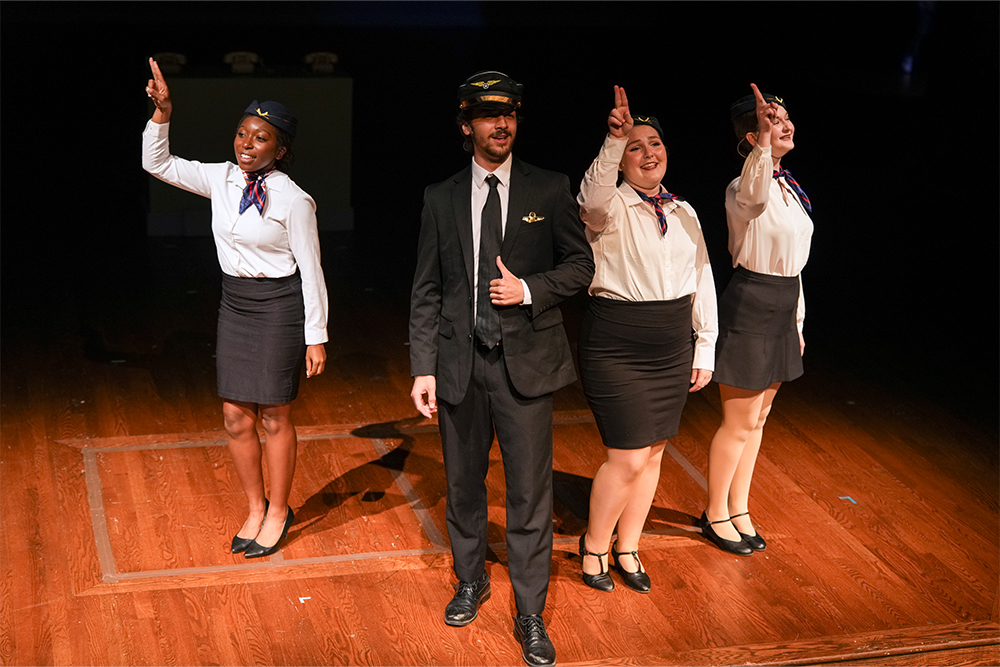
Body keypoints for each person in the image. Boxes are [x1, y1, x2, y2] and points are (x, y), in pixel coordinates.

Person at [409, 71, 593, 666]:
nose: (502, 124)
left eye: (510, 113)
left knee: (529, 495)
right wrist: (423, 367)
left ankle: (531, 612)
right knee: (463, 487)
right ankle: (471, 579)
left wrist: (529, 290)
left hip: (526, 370)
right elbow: (427, 291)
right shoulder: (440, 197)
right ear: (467, 125)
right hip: (461, 367)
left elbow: (580, 266)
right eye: (489, 116)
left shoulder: (548, 188)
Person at [142, 58, 328, 559]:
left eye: (260, 137)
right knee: (234, 416)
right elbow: (157, 165)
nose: (247, 143)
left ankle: (279, 510)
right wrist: (163, 114)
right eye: (242, 133)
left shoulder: (294, 200)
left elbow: (312, 270)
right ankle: (254, 505)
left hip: (279, 307)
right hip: (236, 304)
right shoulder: (219, 179)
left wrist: (316, 334)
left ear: (280, 149)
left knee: (273, 416)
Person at [576, 86, 717, 593]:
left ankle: (628, 545)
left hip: (671, 344)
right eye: (636, 147)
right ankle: (593, 545)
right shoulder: (607, 205)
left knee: (654, 452)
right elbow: (590, 195)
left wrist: (705, 346)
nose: (648, 152)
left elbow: (702, 279)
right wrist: (613, 140)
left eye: (654, 143)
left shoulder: (684, 212)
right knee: (628, 456)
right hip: (618, 343)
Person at [701, 84, 814, 556]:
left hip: (785, 301)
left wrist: (799, 320)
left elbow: (797, 261)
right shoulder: (745, 187)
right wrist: (764, 148)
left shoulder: (789, 187)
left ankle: (739, 506)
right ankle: (714, 513)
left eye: (786, 118)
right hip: (751, 301)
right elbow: (752, 196)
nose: (785, 124)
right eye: (772, 119)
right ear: (752, 135)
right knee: (739, 419)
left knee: (760, 418)